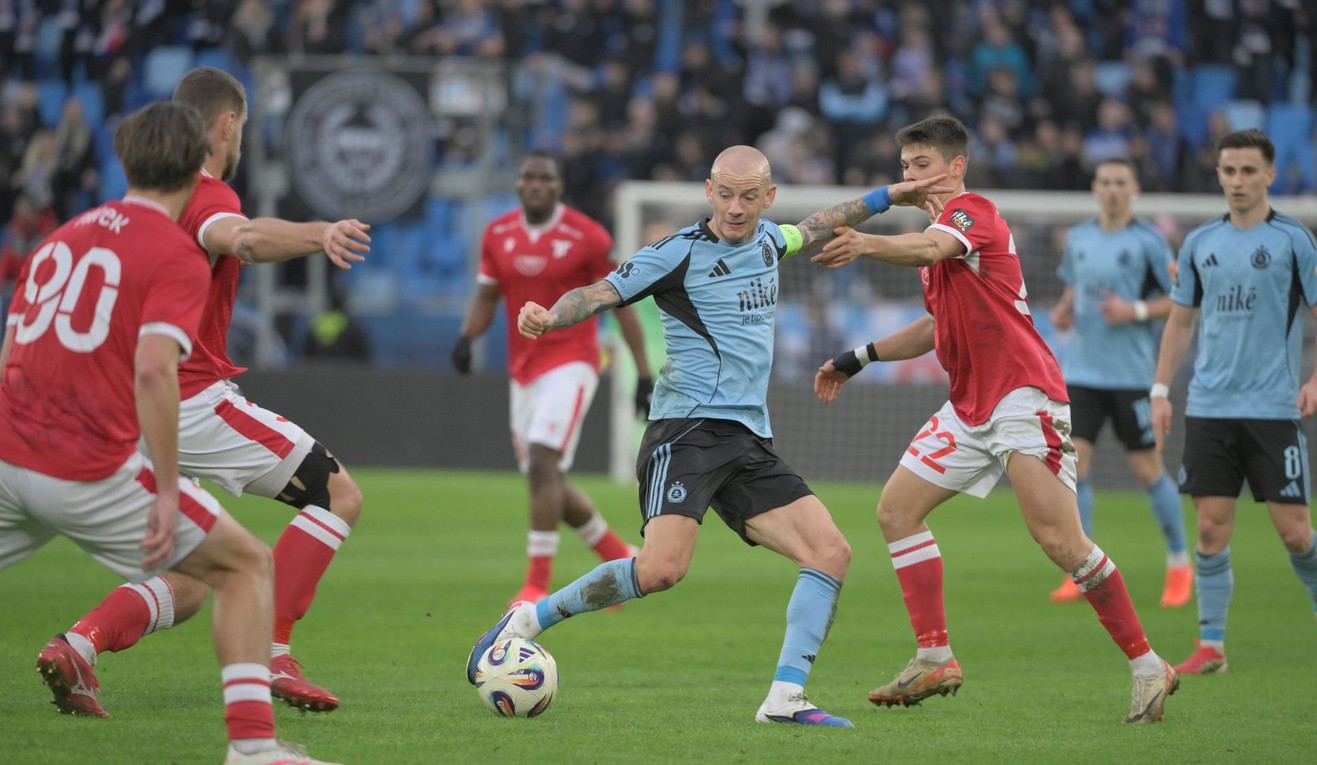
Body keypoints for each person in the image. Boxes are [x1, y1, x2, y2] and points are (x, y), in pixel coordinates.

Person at [465, 145, 947, 727]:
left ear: (768, 198)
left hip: (748, 438)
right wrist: (549, 314)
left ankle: (784, 699)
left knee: (830, 552)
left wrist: (889, 196)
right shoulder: (676, 254)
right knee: (660, 571)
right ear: (708, 191)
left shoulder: (772, 241)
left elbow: (824, 222)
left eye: (750, 196)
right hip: (687, 432)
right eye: (725, 193)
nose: (736, 207)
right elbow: (598, 293)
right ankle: (526, 621)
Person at [0, 101, 339, 765]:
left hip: (10, 456)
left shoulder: (56, 240)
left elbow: (13, 352)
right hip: (87, 468)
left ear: (123, 161)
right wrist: (162, 489)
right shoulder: (176, 255)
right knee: (245, 563)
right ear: (195, 168)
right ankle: (253, 748)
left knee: (197, 574)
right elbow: (156, 373)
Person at [811, 115, 1176, 723]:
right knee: (895, 511)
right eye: (904, 167)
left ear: (956, 166)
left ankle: (1148, 665)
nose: (910, 177)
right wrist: (858, 357)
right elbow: (935, 326)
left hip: (1023, 396)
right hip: (970, 403)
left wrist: (867, 242)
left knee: (1060, 540)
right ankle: (934, 656)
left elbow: (931, 245)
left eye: (922, 165)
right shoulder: (934, 242)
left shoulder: (973, 213)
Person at [1151, 129, 1317, 677]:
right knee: (1212, 529)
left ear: (1270, 175)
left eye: (1247, 171)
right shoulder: (1198, 243)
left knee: (1295, 532)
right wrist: (1161, 390)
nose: (1236, 181)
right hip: (1210, 407)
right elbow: (1181, 321)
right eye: (1228, 171)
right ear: (1217, 174)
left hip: (1273, 408)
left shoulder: (1293, 239)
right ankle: (1211, 647)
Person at [450, 149, 650, 605]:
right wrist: (467, 338)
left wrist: (641, 373)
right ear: (518, 183)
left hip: (574, 360)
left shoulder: (588, 236)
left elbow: (623, 303)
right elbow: (487, 296)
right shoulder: (497, 234)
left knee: (543, 462)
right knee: (547, 481)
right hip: (523, 371)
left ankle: (535, 586)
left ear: (559, 186)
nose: (536, 185)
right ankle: (618, 555)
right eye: (528, 177)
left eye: (545, 178)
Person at [1046, 158, 1190, 606]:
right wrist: (1065, 312)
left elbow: (1180, 299)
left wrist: (1136, 311)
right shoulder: (1080, 239)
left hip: (1131, 375)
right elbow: (1074, 289)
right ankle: (1082, 567)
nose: (1112, 190)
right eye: (1105, 182)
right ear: (1094, 187)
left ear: (1133, 189)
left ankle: (1179, 562)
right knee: (1076, 468)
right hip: (1083, 374)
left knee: (1147, 470)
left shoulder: (1148, 241)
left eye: (1120, 183)